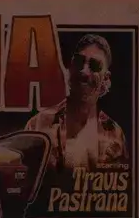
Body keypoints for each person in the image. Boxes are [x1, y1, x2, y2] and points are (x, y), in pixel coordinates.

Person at [25, 33, 127, 173]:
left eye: (94, 65)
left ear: (105, 78)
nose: (84, 71)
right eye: (79, 62)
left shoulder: (114, 135)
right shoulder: (38, 125)